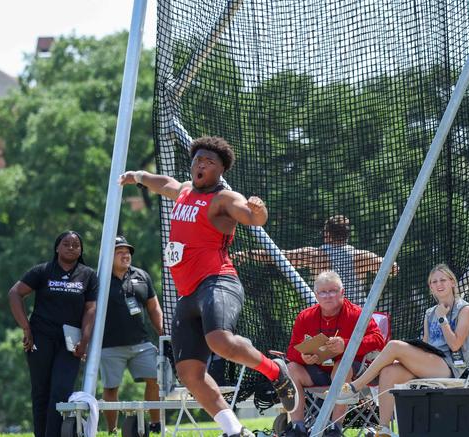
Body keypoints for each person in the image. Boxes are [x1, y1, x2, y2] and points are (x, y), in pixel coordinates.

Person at [119, 136, 299, 437]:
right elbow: (163, 183)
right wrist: (136, 176)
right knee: (189, 373)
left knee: (219, 341)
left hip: (218, 282)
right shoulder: (185, 191)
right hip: (187, 295)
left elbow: (251, 216)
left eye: (209, 162)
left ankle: (274, 370)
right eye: (197, 160)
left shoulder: (223, 199)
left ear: (220, 171)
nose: (200, 164)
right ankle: (235, 431)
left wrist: (258, 211)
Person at [333, 264, 469, 437]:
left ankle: (355, 387)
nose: (439, 284)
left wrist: (442, 318)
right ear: (430, 287)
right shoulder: (430, 312)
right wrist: (406, 358)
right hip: (429, 362)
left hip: (449, 366)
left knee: (394, 345)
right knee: (388, 371)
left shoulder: (465, 309)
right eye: (434, 281)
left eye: (443, 280)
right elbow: (425, 344)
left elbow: (455, 345)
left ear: (452, 282)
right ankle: (384, 429)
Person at [8, 230, 98, 437]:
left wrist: (85, 339)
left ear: (81, 250)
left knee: (61, 390)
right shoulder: (43, 271)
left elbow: (90, 309)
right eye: (66, 244)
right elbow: (15, 293)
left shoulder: (88, 275)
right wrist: (26, 327)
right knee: (41, 391)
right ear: (57, 247)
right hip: (40, 337)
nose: (71, 247)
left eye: (76, 245)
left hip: (71, 342)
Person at [284, 270, 385, 437]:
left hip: (349, 373)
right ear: (316, 295)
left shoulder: (357, 313)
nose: (327, 296)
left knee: (341, 366)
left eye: (332, 291)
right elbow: (292, 349)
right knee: (291, 368)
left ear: (342, 292)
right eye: (323, 292)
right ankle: (298, 427)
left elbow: (378, 339)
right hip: (316, 370)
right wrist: (303, 357)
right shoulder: (305, 316)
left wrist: (346, 345)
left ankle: (334, 428)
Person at [235, 215, 398, 303]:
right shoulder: (362, 257)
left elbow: (278, 256)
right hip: (357, 317)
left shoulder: (315, 256)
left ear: (326, 234)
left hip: (327, 316)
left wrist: (247, 254)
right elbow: (393, 269)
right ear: (347, 235)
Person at [100, 236, 164, 433]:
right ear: (108, 255)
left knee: (156, 379)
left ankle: (155, 424)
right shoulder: (98, 278)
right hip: (109, 345)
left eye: (127, 251)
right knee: (111, 388)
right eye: (120, 252)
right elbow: (88, 312)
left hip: (141, 343)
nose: (125, 255)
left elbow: (153, 308)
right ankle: (112, 430)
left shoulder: (142, 276)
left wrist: (163, 334)